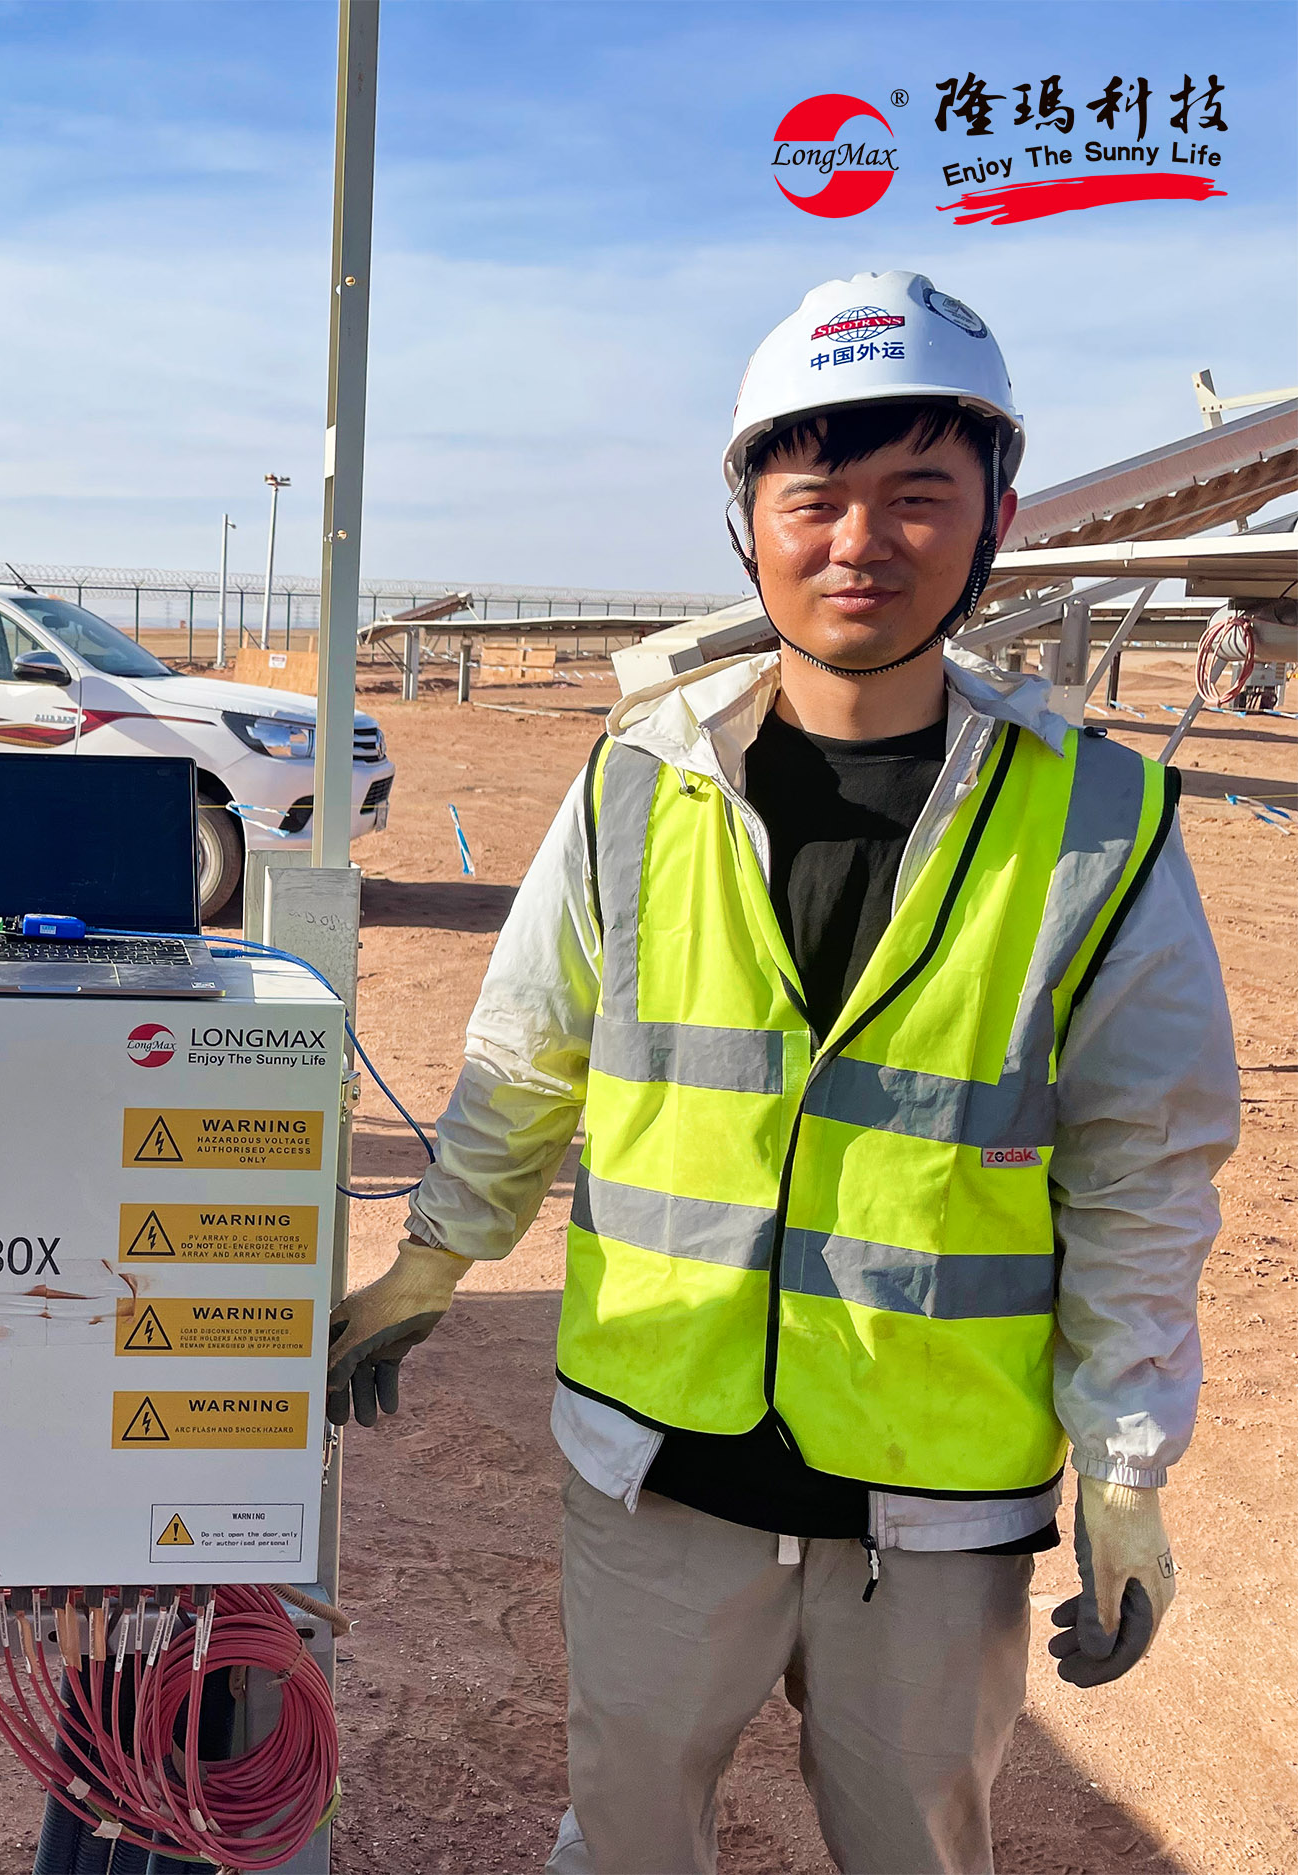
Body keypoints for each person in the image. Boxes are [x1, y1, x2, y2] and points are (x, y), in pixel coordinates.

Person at [326, 271, 1238, 1874]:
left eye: (918, 494)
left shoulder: (1100, 828)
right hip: (658, 1467)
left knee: (917, 1849)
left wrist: (1123, 1466)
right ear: (747, 521)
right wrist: (430, 1260)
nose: (860, 541)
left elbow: (1141, 1173)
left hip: (934, 1503)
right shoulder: (636, 786)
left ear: (995, 517)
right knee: (628, 1838)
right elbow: (525, 1061)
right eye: (813, 497)